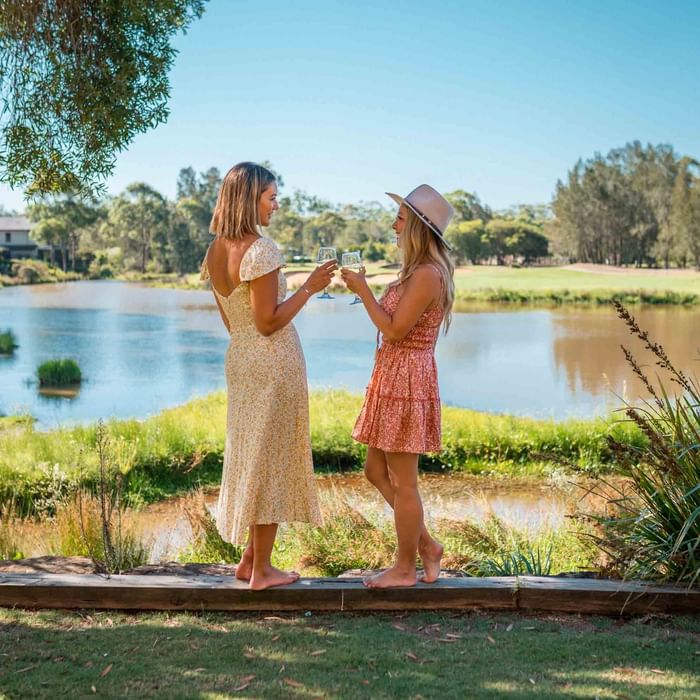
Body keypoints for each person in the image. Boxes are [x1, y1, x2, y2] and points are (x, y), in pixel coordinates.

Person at [201, 162, 336, 590]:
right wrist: (310, 287)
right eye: (271, 197)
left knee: (253, 454)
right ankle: (262, 572)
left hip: (240, 360)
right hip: (273, 364)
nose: (276, 205)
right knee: (272, 461)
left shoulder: (215, 250)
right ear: (249, 198)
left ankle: (248, 561)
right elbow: (268, 321)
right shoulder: (262, 250)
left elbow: (234, 323)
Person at [341, 184, 455, 588]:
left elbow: (393, 329)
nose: (394, 224)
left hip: (407, 381)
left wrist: (363, 291)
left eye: (401, 218)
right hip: (392, 378)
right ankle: (426, 544)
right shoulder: (416, 270)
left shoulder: (427, 275)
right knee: (375, 470)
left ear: (419, 228)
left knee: (405, 481)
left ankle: (405, 567)